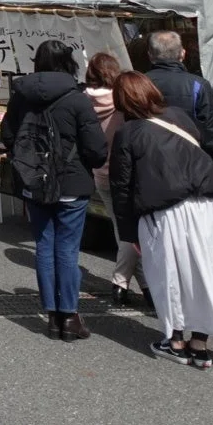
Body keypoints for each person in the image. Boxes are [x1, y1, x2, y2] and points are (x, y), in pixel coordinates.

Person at [110, 72, 213, 370]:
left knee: (170, 275)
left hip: (165, 210)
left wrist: (129, 233)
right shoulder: (179, 117)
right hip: (207, 205)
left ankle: (175, 341)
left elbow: (121, 187)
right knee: (205, 272)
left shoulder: (129, 133)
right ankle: (200, 344)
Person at [1, 39, 107, 342]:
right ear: (68, 63)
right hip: (71, 182)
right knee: (67, 249)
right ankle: (70, 316)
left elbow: (8, 134)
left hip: (34, 180)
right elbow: (96, 149)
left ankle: (52, 316)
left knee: (45, 246)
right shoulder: (77, 99)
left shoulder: (20, 95)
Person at [85, 51, 143, 307]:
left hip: (100, 172)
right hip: (127, 172)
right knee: (130, 232)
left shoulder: (83, 101)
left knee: (124, 230)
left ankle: (145, 286)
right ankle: (120, 282)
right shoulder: (123, 98)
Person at [143, 30, 213, 166]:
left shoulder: (139, 83)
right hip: (191, 159)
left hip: (151, 158)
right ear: (183, 53)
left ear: (150, 55)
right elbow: (211, 129)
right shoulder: (199, 85)